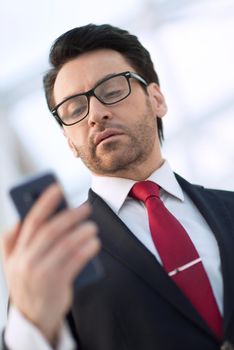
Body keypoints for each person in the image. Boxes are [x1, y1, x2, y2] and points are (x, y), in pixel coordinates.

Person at [1, 23, 234, 350]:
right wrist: (31, 325)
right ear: (68, 141)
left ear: (157, 99)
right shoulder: (58, 259)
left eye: (111, 91)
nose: (95, 114)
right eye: (74, 110)